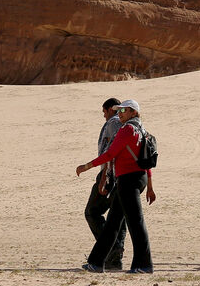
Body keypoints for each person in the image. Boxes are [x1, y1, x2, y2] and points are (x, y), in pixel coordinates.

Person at [75, 99, 155, 274]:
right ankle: (96, 262)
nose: (120, 113)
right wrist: (149, 185)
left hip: (129, 179)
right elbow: (145, 162)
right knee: (112, 222)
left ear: (134, 112)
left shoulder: (127, 129)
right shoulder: (141, 129)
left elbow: (111, 153)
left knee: (136, 223)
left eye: (124, 110)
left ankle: (144, 264)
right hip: (135, 178)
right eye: (118, 111)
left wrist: (87, 166)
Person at [84, 98, 126, 270]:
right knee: (118, 218)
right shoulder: (128, 124)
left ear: (110, 109)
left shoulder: (114, 123)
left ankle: (111, 249)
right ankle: (114, 260)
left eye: (104, 112)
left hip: (111, 174)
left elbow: (112, 150)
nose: (104, 116)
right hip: (125, 175)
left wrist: (104, 176)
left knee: (92, 212)